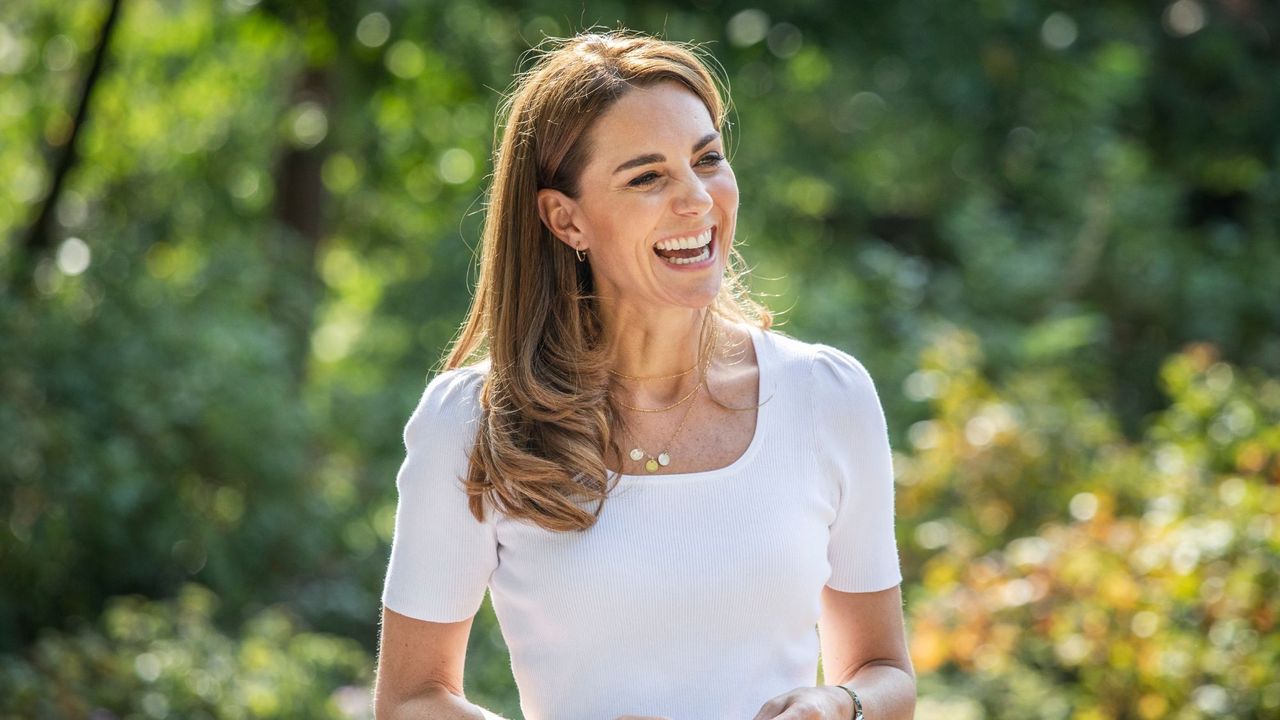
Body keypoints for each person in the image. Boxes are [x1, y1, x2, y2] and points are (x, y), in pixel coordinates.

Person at [373, 30, 915, 720]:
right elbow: (411, 700)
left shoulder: (828, 396)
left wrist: (837, 705)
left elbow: (884, 671)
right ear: (565, 218)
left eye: (708, 159)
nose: (696, 200)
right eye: (647, 177)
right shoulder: (473, 421)